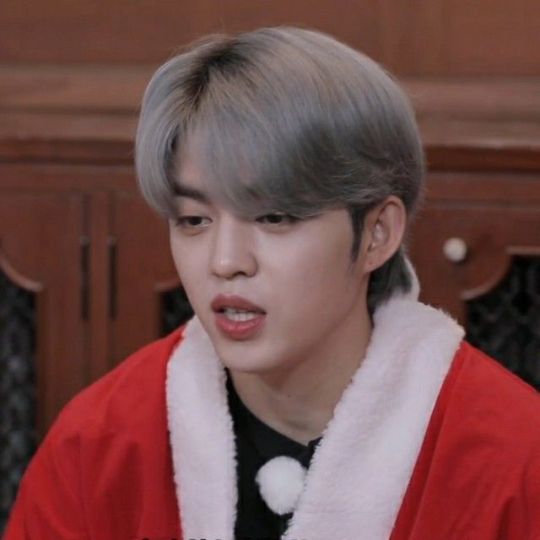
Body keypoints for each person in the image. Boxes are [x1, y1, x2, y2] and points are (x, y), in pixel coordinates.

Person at [5, 26, 540, 540]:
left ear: (377, 234)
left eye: (274, 218)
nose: (225, 262)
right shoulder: (98, 444)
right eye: (194, 220)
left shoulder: (515, 458)